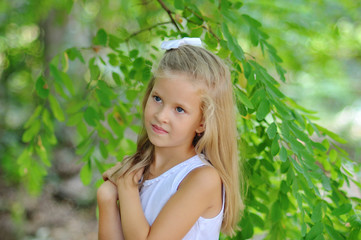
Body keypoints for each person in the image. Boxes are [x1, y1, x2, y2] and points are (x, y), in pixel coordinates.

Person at [97, 38, 245, 240]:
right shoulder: (141, 169)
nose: (161, 115)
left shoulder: (202, 179)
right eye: (157, 98)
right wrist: (106, 198)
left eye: (179, 109)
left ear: (202, 123)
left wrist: (126, 186)